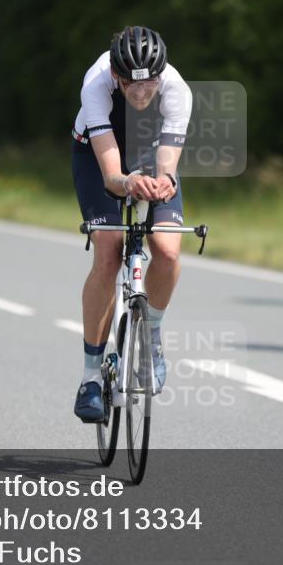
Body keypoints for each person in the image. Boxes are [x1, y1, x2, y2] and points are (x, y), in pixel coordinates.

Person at [70, 26, 192, 422]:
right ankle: (90, 377)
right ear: (117, 77)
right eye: (131, 86)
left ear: (161, 75)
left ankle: (151, 334)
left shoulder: (177, 90)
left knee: (168, 250)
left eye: (149, 85)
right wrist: (126, 183)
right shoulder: (96, 85)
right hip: (97, 155)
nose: (141, 95)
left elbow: (169, 165)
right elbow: (110, 175)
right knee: (107, 250)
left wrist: (163, 181)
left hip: (150, 151)